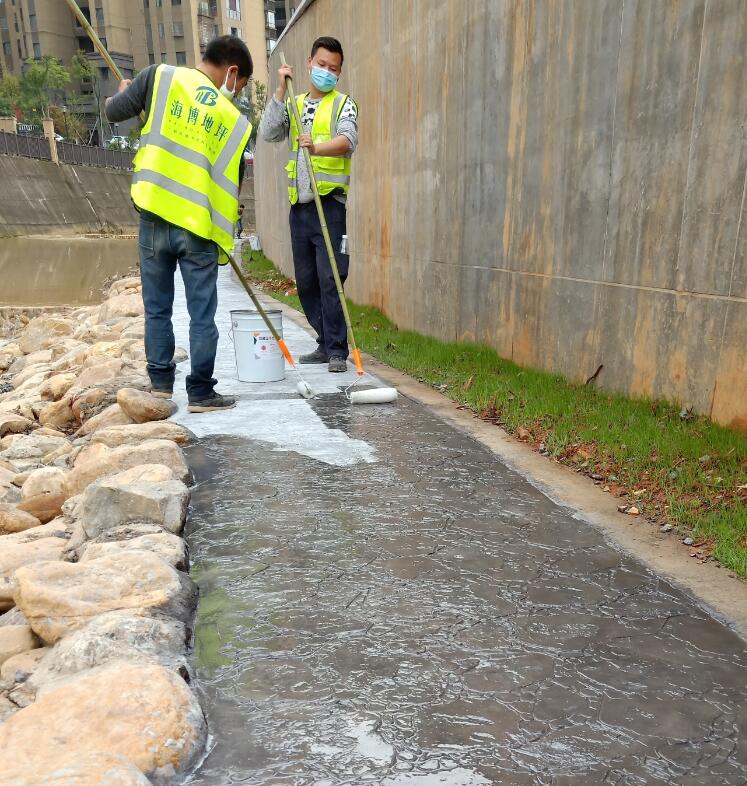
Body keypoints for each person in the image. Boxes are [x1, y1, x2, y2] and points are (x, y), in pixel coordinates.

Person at [105, 36, 253, 412]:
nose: (237, 93)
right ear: (232, 71)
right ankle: (201, 392)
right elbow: (232, 184)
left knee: (158, 308)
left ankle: (160, 386)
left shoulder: (159, 77)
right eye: (242, 85)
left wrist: (124, 92)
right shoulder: (233, 121)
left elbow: (113, 112)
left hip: (154, 215)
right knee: (202, 314)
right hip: (198, 228)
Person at [259, 36, 358, 373]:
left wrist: (315, 147)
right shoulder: (295, 104)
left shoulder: (344, 104)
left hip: (329, 205)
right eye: (321, 65)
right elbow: (269, 133)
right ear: (309, 63)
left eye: (333, 69)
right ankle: (323, 340)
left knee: (331, 278)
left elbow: (348, 141)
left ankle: (337, 350)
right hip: (299, 208)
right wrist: (280, 92)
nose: (326, 72)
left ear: (339, 73)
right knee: (306, 279)